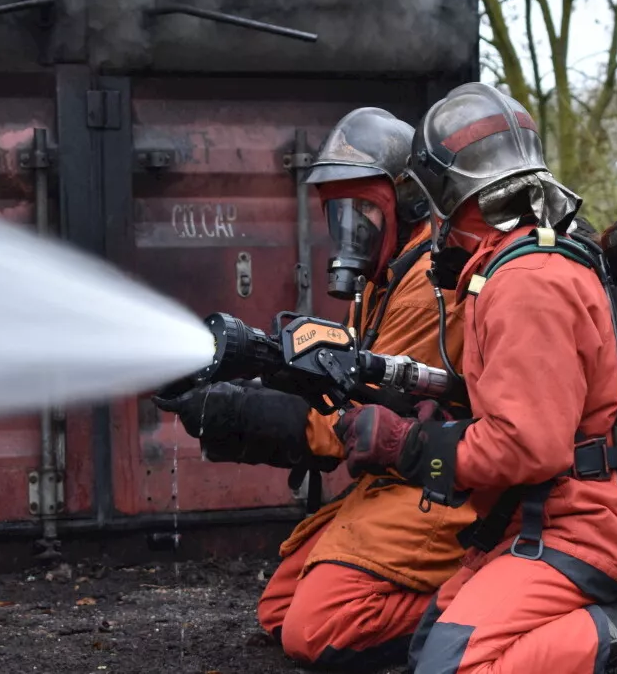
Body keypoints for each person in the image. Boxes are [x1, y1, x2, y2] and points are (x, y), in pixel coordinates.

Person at [333, 83, 617, 674]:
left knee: (456, 669)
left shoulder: (526, 282)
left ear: (450, 195)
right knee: (430, 648)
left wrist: (410, 446)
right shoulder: (517, 266)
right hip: (536, 517)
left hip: (577, 525)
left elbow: (526, 444)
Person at [157, 107, 475, 669]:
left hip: (445, 483)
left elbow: (363, 417)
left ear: (405, 202)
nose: (350, 230)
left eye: (363, 210)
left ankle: (493, 594)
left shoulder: (429, 283)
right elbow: (343, 380)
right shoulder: (389, 276)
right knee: (279, 613)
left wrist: (241, 414)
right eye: (340, 212)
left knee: (318, 631)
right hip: (397, 483)